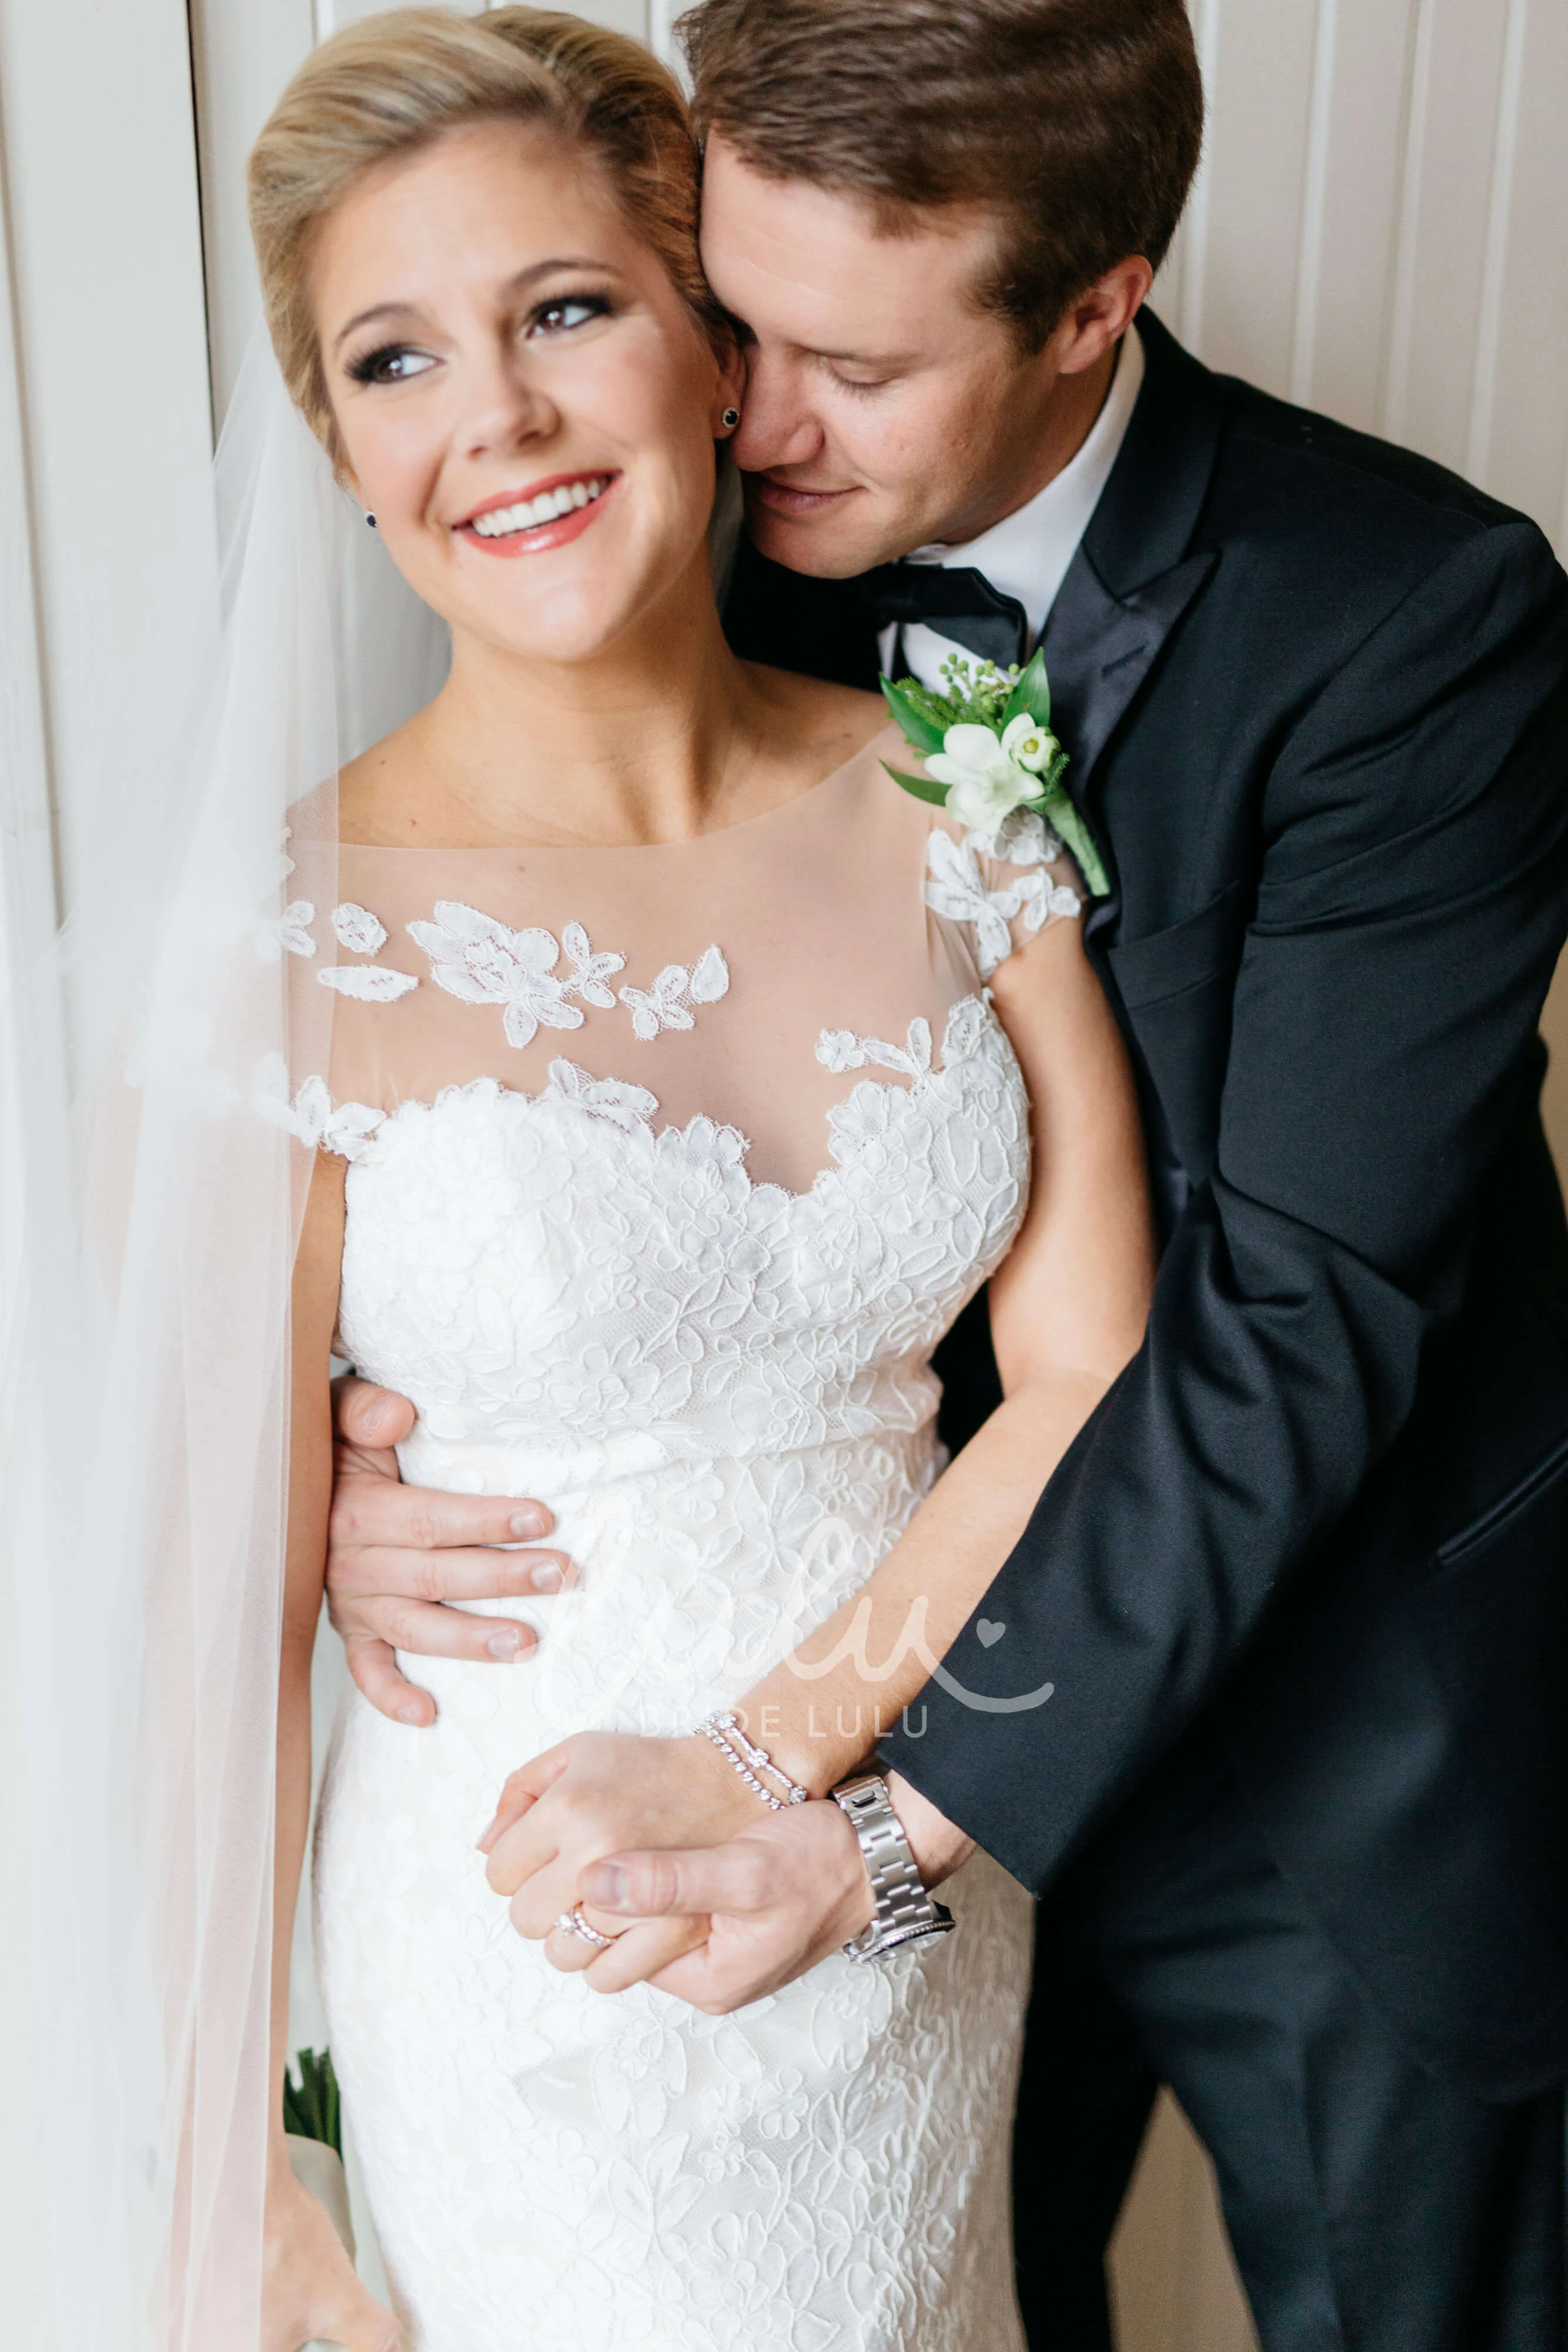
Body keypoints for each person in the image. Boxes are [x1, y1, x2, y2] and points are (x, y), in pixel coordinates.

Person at [329, 2, 1568, 2346]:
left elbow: (1295, 1315)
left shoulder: (1415, 616)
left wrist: (822, 1796)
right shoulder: (691, 540)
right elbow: (498, 1054)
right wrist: (337, 1446)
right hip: (849, 1672)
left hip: (1334, 1736)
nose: (752, 417)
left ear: (1094, 302)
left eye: (855, 368)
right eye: (732, 322)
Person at [252, 9, 1154, 2348]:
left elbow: (1088, 1359)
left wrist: (790, 1766)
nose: (503, 421)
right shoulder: (289, 932)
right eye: (395, 360)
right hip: (529, 1934)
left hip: (897, 1878)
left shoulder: (958, 765)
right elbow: (206, 1621)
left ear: (708, 344)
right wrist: (249, 2175)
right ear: (343, 449)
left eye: (564, 310)